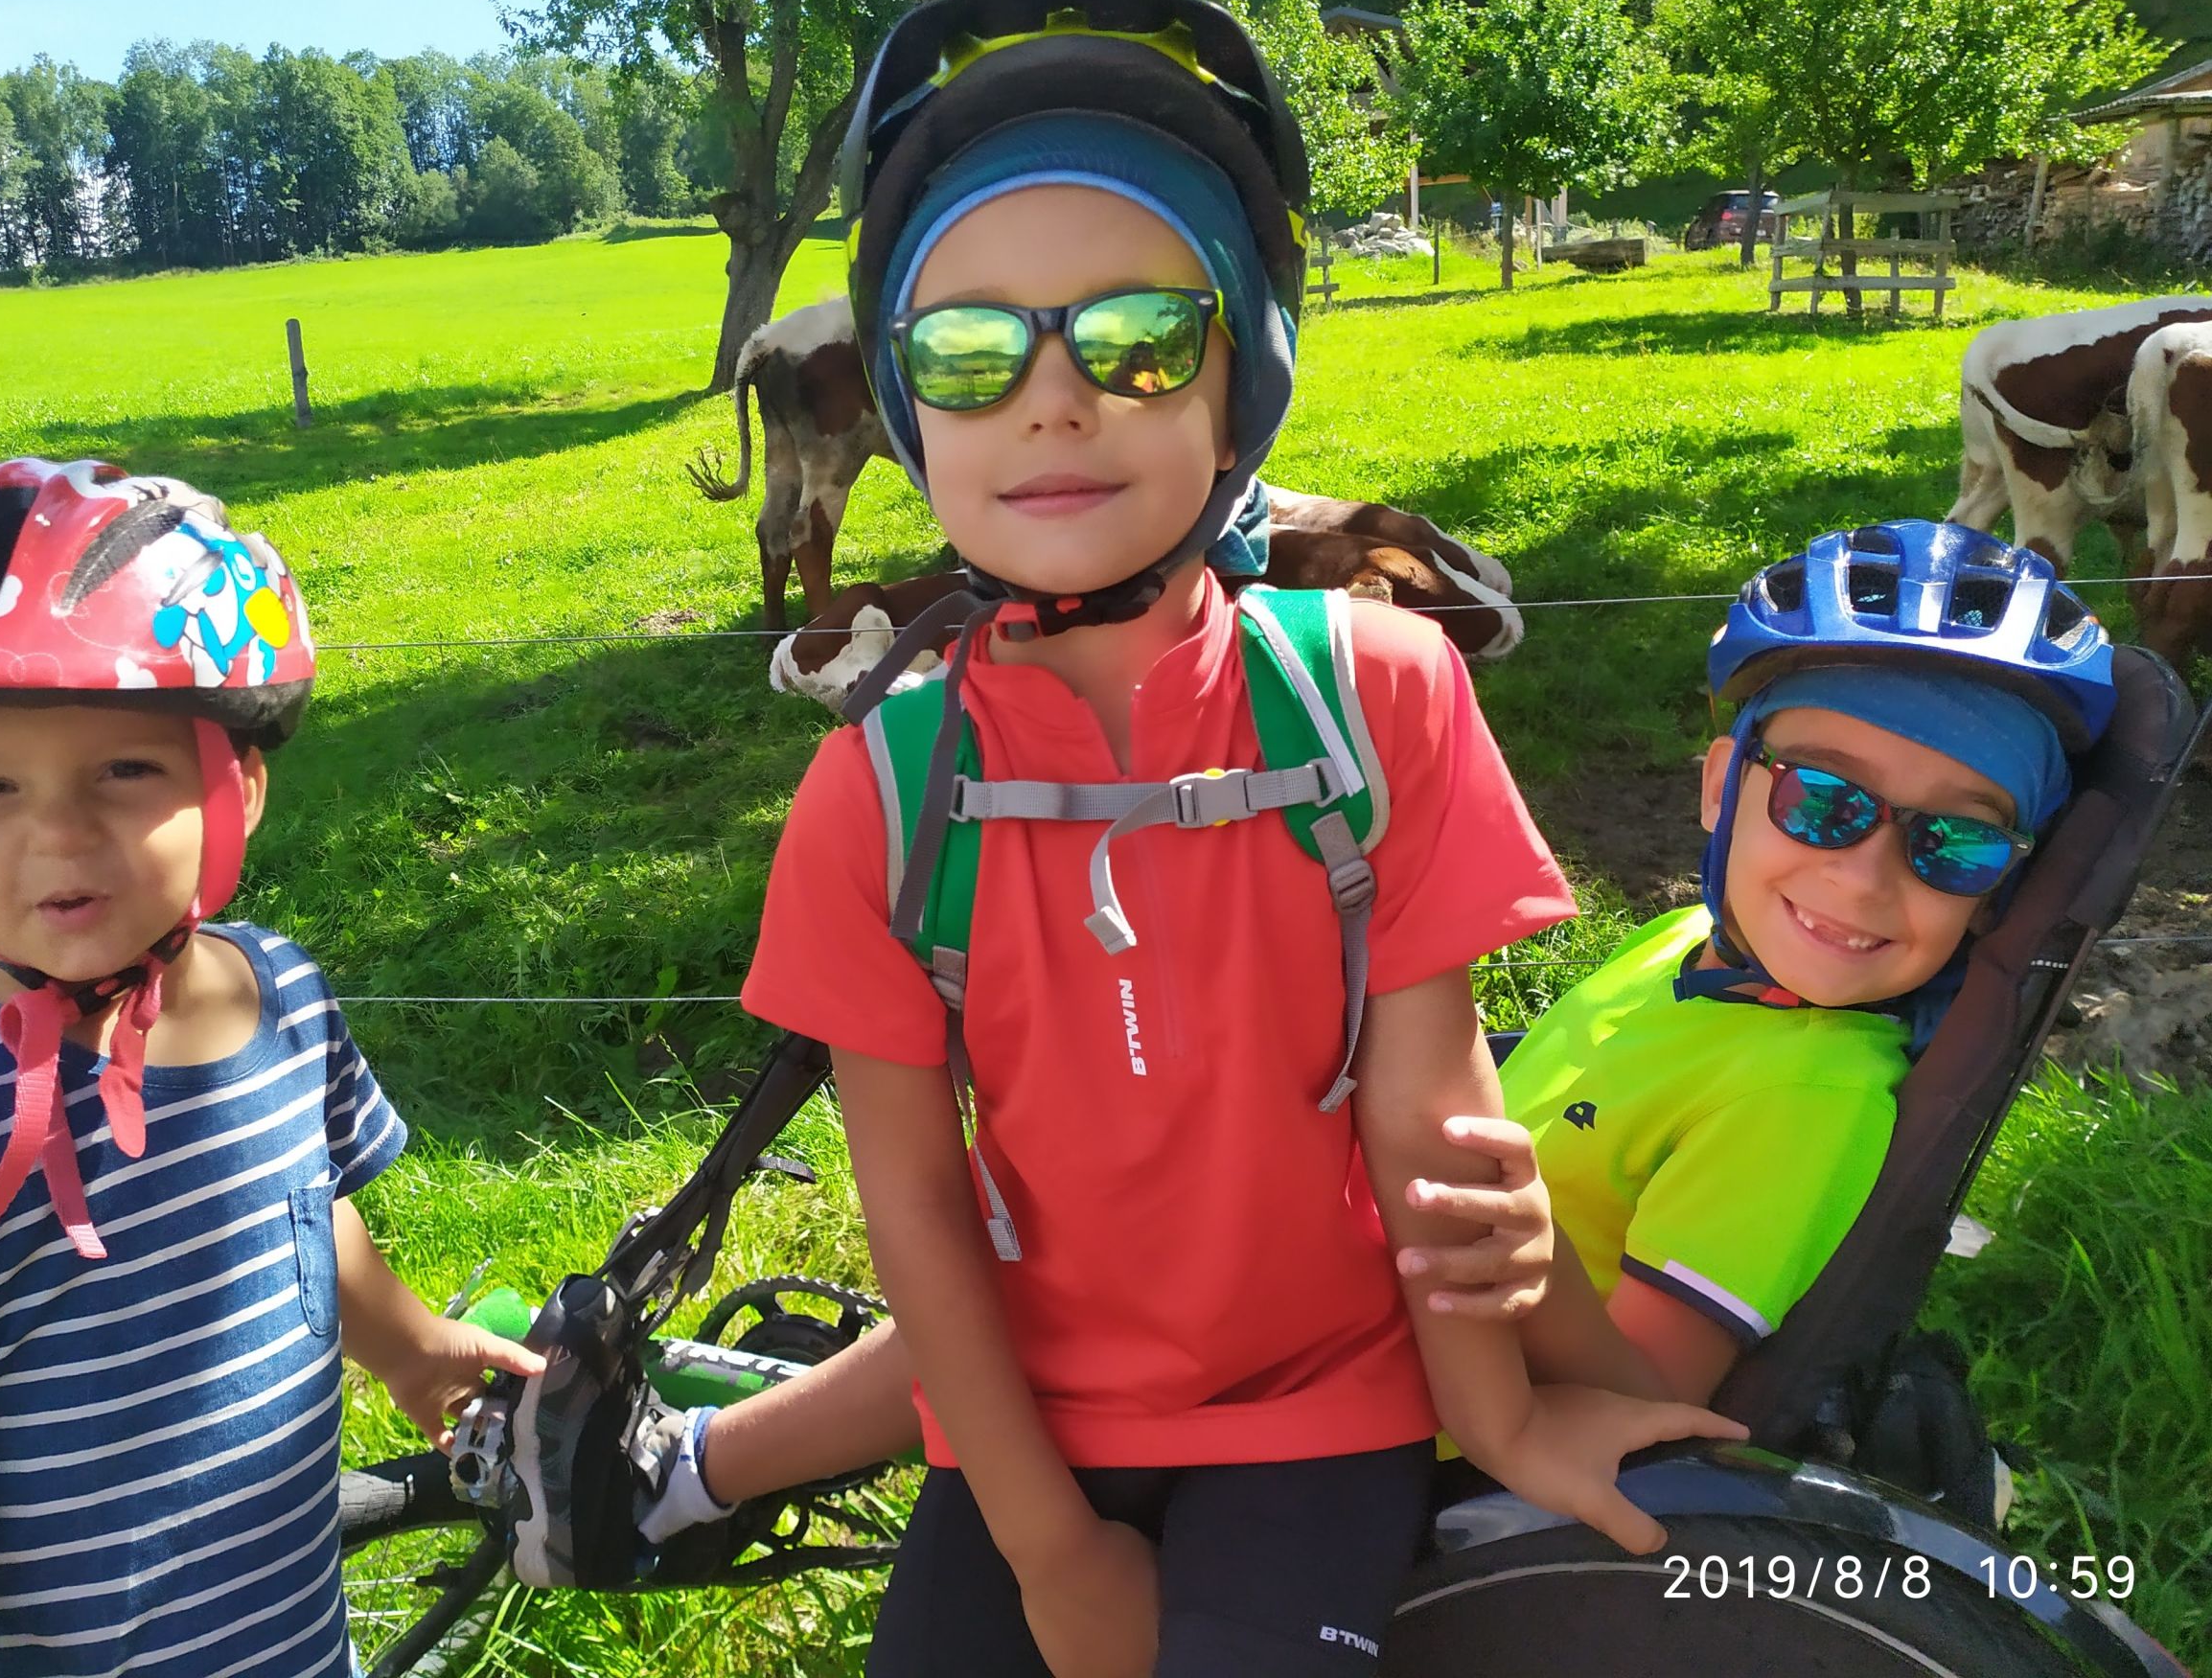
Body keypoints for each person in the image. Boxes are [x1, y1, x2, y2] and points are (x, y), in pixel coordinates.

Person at [720, 0, 1736, 1678]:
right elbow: (913, 1208)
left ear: (1238, 378)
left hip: (1316, 1410)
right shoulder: (879, 790)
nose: (1053, 401)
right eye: (969, 352)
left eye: (1134, 339)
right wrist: (1048, 1556)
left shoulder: (1375, 695)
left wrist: (1498, 1422)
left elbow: (1437, 1126)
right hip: (1019, 1424)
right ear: (902, 406)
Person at [635, 518, 2116, 1545]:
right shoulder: (1688, 955)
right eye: (1828, 805)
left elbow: (1650, 1399)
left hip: (1407, 1391)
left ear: (2005, 891)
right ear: (1725, 783)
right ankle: (720, 1444)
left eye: (1957, 850)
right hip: (1382, 1278)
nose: (1862, 880)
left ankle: (692, 1472)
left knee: (1075, 1274)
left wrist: (1516, 1260)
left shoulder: (1809, 1097)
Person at [0, 459, 545, 1678]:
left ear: (234, 786)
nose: (60, 833)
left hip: (289, 1637)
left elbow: (303, 1208)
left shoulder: (280, 992)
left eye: (125, 770)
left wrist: (405, 1344)